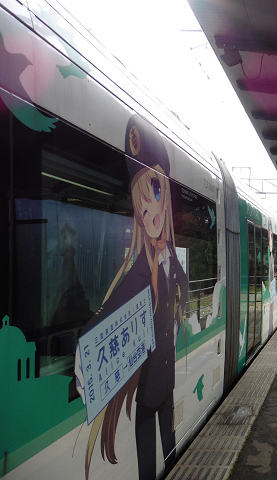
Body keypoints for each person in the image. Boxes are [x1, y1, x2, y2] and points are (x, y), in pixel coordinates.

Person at [75, 114, 188, 480]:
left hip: (167, 384)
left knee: (171, 452)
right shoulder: (141, 270)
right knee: (146, 467)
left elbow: (184, 291)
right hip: (148, 391)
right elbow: (114, 306)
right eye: (141, 202)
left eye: (154, 192)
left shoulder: (171, 259)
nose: (149, 210)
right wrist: (85, 348)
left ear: (166, 195)